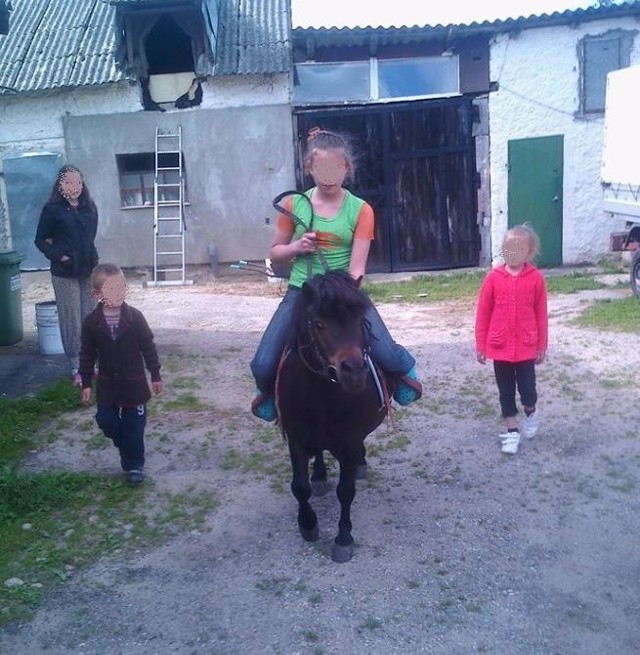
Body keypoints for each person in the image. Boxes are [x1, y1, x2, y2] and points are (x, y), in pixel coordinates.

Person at [250, 127, 422, 422]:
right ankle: (274, 398)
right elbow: (276, 254)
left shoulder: (361, 210)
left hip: (344, 295)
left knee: (388, 355)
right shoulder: (294, 205)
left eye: (336, 167)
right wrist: (296, 247)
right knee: (263, 365)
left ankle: (406, 369)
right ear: (310, 168)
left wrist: (347, 295)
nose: (329, 175)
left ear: (347, 169)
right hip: (301, 293)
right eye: (321, 167)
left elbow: (357, 268)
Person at [79, 263, 162, 486]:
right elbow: (86, 354)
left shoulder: (135, 317)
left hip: (134, 385)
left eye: (121, 288)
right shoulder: (91, 323)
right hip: (107, 386)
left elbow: (148, 347)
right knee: (106, 420)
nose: (118, 294)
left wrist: (155, 374)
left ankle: (134, 466)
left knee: (134, 427)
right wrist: (86, 383)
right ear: (97, 294)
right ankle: (124, 442)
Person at [475, 224, 548, 455]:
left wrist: (541, 345)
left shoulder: (536, 279)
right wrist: (480, 344)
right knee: (505, 391)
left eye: (519, 248)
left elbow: (541, 315)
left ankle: (531, 410)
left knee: (527, 389)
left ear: (529, 252)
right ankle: (511, 431)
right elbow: (483, 313)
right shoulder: (493, 278)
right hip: (500, 348)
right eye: (509, 247)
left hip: (527, 348)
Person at [35, 165, 99, 386]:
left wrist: (89, 254)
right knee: (71, 318)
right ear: (60, 185)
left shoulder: (89, 207)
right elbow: (40, 239)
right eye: (69, 183)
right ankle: (76, 365)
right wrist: (59, 255)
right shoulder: (52, 210)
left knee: (90, 316)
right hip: (65, 273)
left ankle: (92, 362)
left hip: (88, 269)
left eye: (78, 182)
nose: (75, 187)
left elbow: (90, 236)